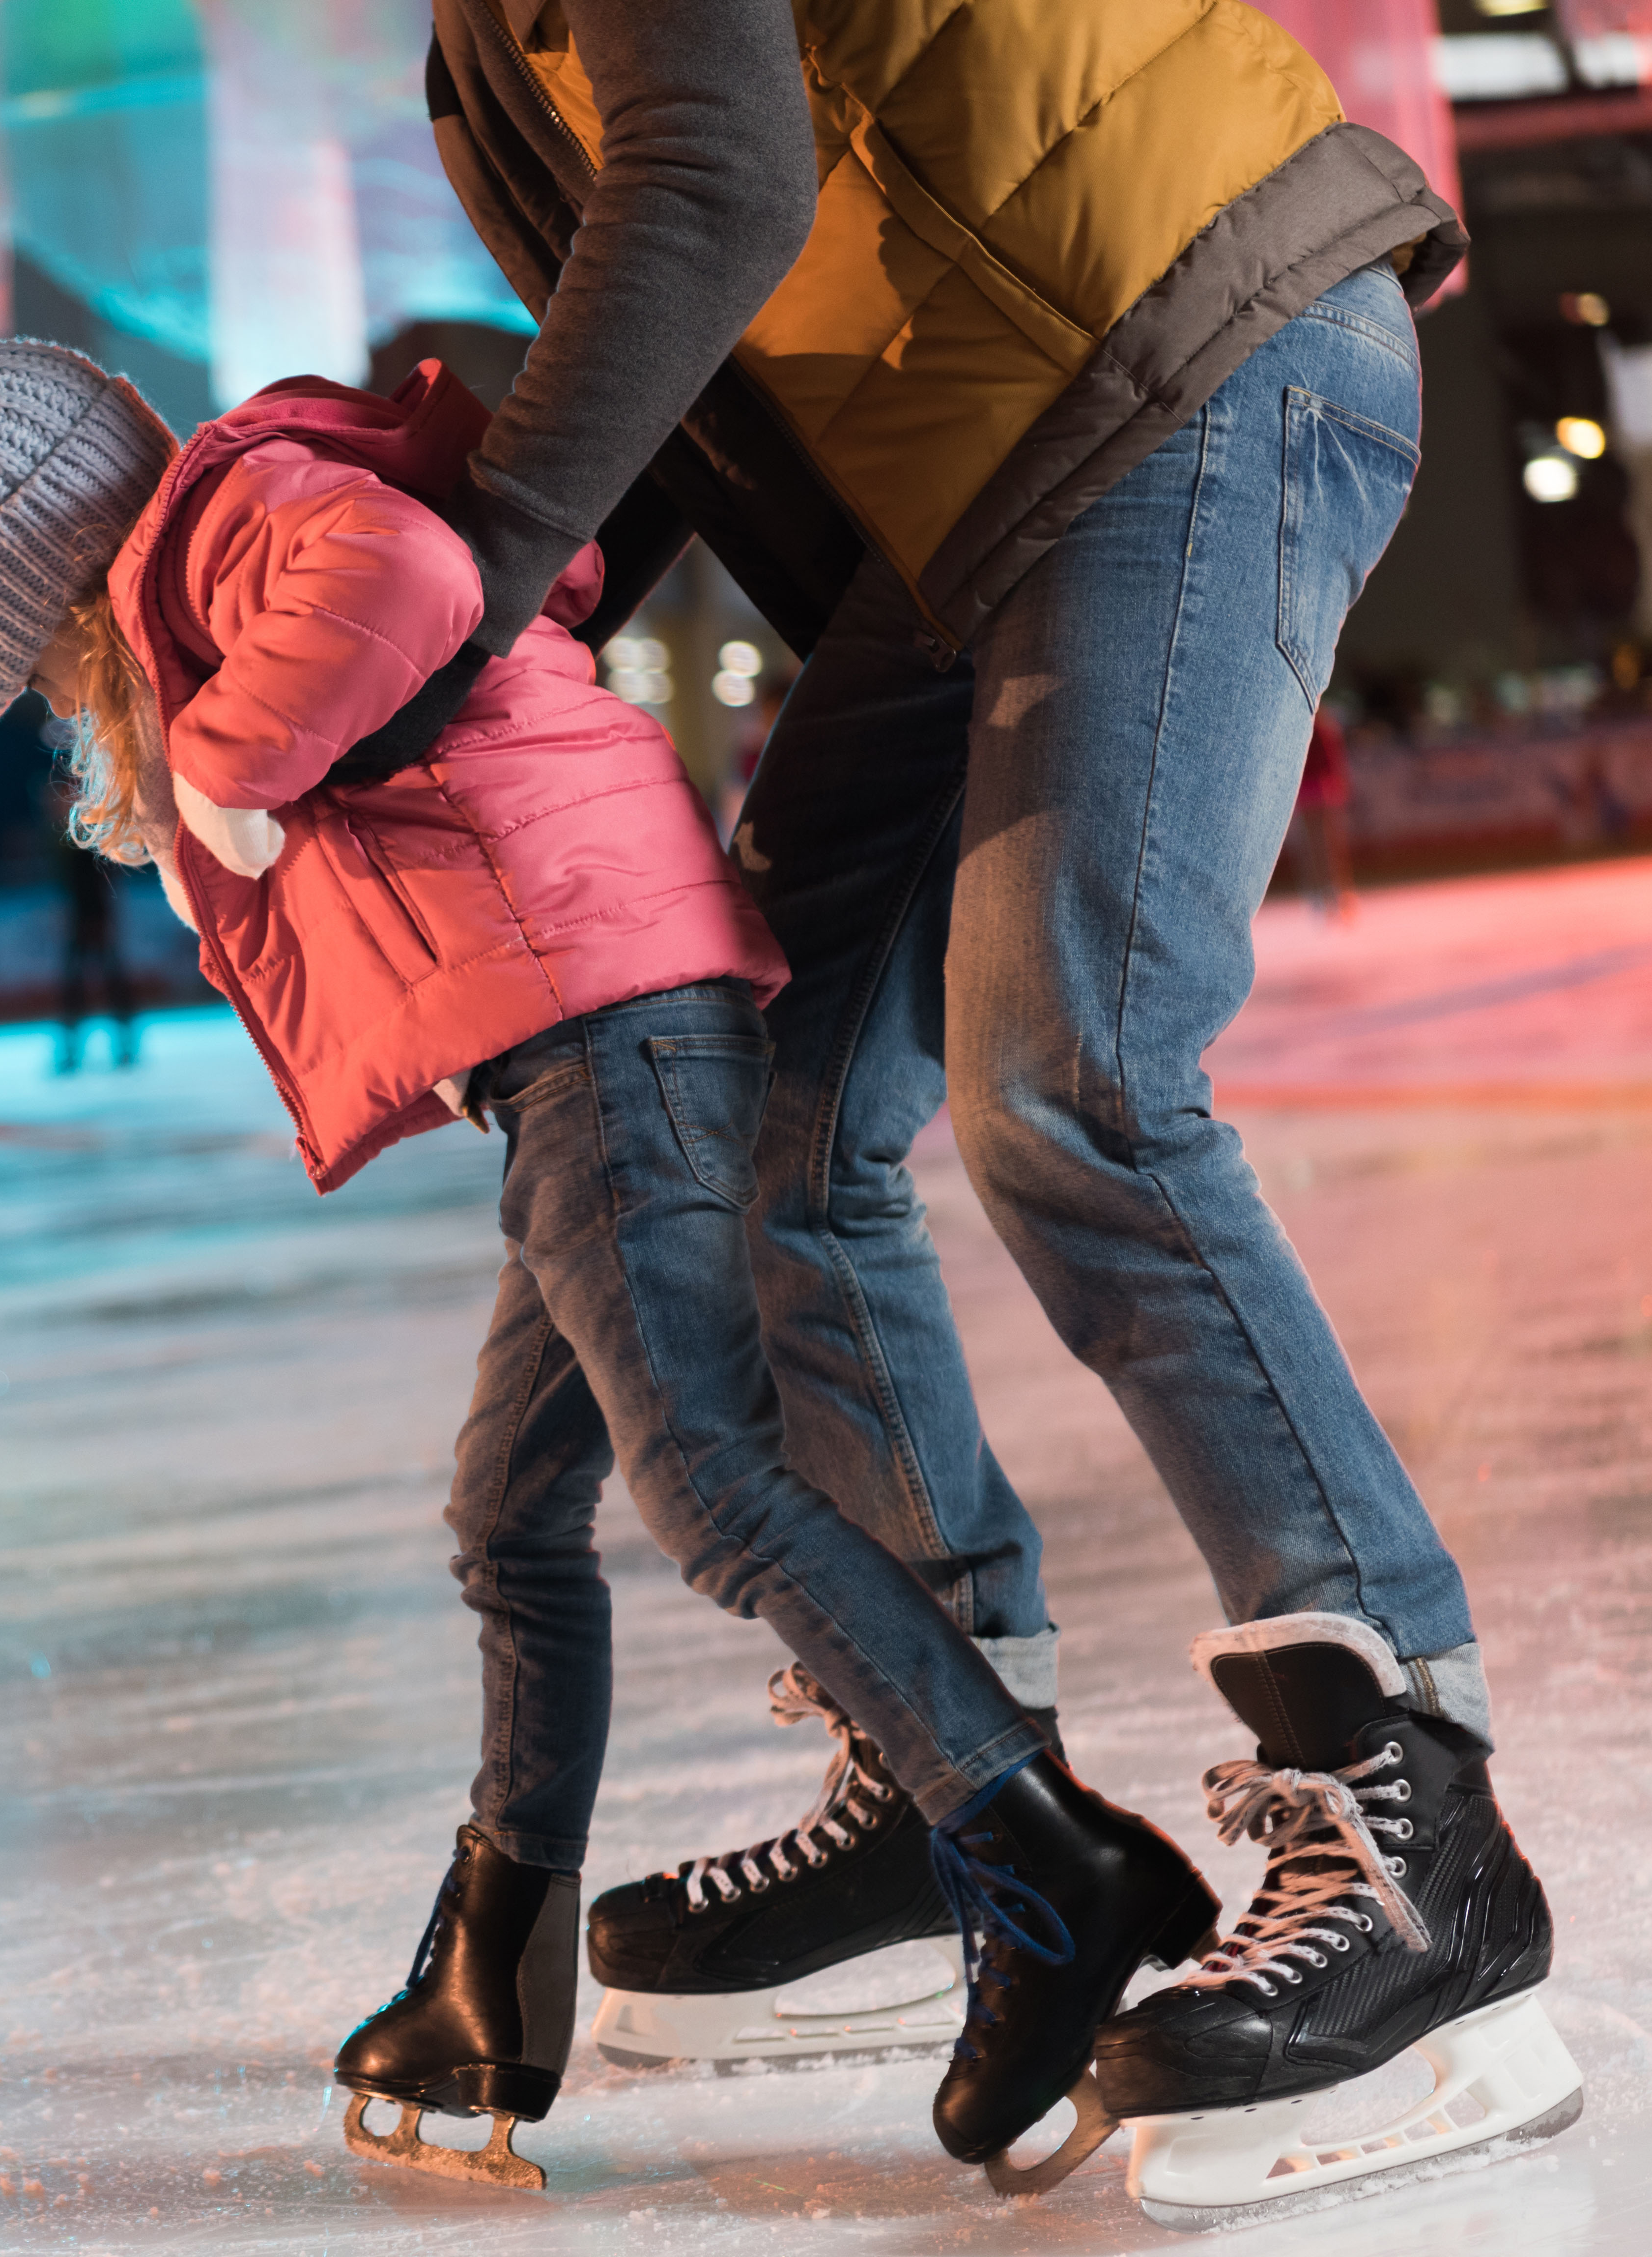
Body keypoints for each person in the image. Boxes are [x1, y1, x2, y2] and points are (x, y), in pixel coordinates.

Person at [0, 330, 1210, 2192]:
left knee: (712, 1488)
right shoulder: (210, 560)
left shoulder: (229, 518)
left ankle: (1033, 1845)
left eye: (24, 661)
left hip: (610, 1026)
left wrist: (226, 754)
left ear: (26, 572)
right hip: (579, 1038)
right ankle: (496, 1972)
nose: (51, 698)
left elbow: (413, 577)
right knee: (508, 1510)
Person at [400, 0, 1577, 2222]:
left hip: (1185, 341)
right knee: (760, 1101)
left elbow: (722, 178)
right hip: (981, 493)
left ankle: (1415, 1821)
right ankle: (958, 1783)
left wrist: (473, 563)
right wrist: (477, 573)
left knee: (1074, 1082)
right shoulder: (474, 43)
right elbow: (693, 326)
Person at [44, 772, 140, 1071]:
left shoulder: (87, 830)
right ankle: (76, 1051)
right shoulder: (62, 835)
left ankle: (123, 1047)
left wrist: (102, 916)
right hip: (80, 917)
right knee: (79, 986)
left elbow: (102, 877)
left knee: (107, 982)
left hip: (95, 915)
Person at [1291, 700, 1359, 920]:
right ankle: (1332, 891)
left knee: (1317, 847)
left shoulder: (1307, 729)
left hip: (1313, 790)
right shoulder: (1323, 728)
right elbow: (1333, 761)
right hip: (1319, 790)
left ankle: (1326, 892)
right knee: (1326, 846)